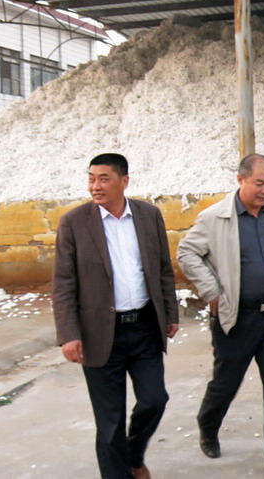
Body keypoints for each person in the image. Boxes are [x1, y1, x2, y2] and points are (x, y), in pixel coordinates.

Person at [177, 154, 264, 479]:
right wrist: (212, 291)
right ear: (240, 180)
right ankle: (208, 425)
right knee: (225, 384)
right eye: (259, 183)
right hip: (236, 319)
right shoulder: (215, 218)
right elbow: (186, 252)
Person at [53, 153, 179, 479]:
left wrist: (170, 312)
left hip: (144, 327)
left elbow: (163, 269)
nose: (95, 186)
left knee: (154, 399)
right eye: (91, 178)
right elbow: (63, 283)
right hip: (99, 333)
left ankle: (133, 456)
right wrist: (68, 334)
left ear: (124, 181)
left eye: (104, 179)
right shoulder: (74, 222)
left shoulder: (148, 215)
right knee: (110, 423)